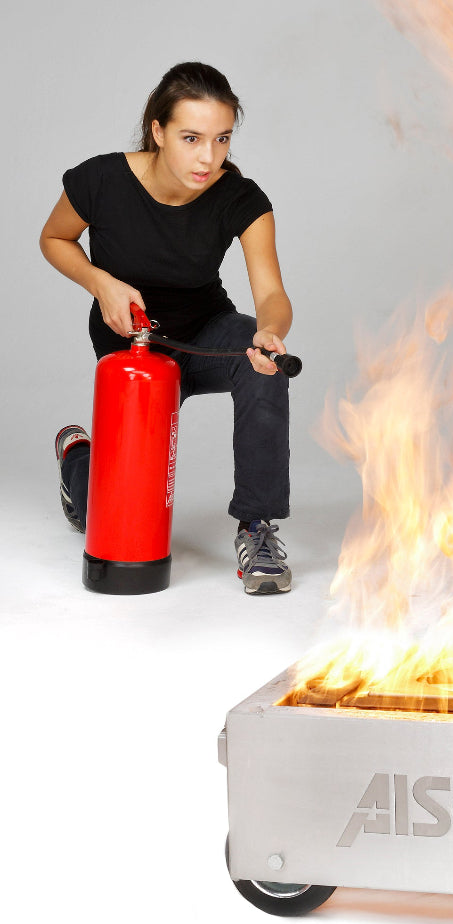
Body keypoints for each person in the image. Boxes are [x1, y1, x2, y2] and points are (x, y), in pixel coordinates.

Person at [41, 62, 293, 595]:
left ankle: (258, 528)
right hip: (132, 346)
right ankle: (79, 460)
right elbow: (55, 239)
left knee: (262, 367)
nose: (208, 156)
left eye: (222, 138)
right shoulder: (101, 179)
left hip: (205, 334)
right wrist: (101, 283)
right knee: (111, 517)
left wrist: (269, 332)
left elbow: (270, 294)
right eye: (191, 138)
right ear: (157, 131)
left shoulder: (240, 198)